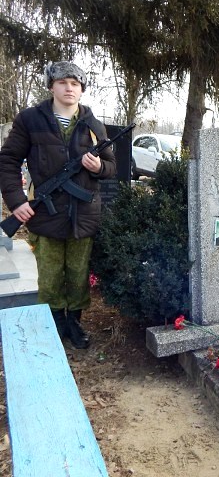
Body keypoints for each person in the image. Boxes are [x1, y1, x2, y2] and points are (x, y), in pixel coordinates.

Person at [0, 61, 116, 349]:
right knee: (50, 275)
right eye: (63, 82)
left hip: (83, 214)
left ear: (81, 89)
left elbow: (111, 167)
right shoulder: (30, 120)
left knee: (78, 273)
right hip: (46, 213)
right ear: (51, 86)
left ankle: (74, 322)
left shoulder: (93, 124)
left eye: (75, 83)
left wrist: (99, 167)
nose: (69, 88)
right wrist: (16, 201)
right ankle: (54, 323)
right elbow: (8, 161)